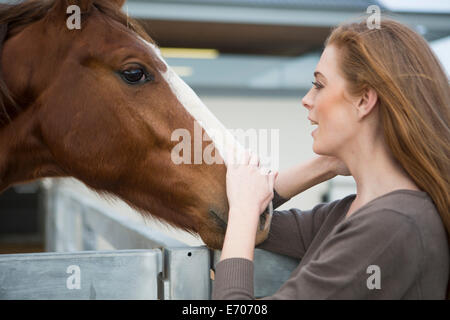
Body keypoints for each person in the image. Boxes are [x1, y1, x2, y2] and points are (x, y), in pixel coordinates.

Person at [212, 18, 450, 300]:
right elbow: (220, 219)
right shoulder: (350, 213)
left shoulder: (390, 225)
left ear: (364, 100)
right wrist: (325, 165)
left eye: (319, 85)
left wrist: (244, 209)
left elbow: (241, 218)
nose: (306, 99)